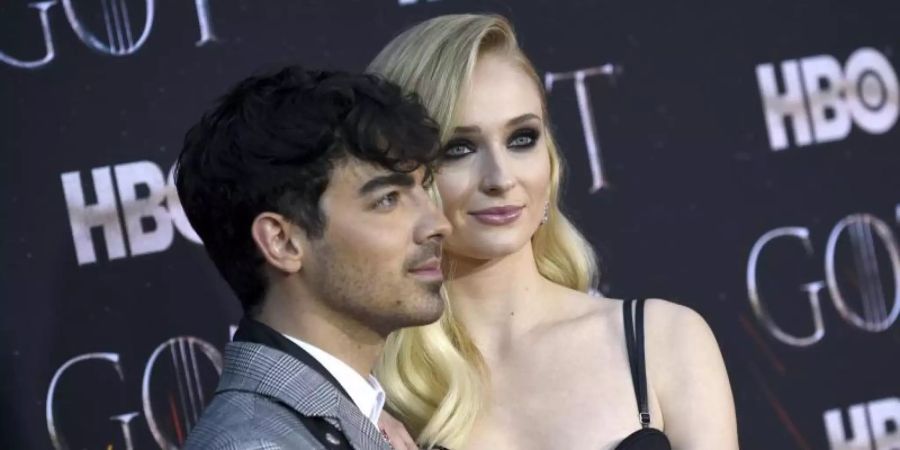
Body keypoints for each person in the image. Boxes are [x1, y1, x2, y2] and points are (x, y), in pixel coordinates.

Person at [369, 14, 738, 450]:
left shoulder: (663, 339)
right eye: (459, 148)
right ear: (401, 175)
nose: (500, 177)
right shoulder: (371, 394)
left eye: (521, 138)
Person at [176, 66, 451, 450]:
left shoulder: (352, 419)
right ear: (283, 242)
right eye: (388, 200)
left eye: (424, 189)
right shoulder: (255, 445)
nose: (438, 224)